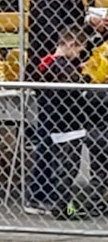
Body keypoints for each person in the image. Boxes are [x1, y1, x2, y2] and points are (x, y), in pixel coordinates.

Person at [26, 26, 101, 217]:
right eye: (78, 49)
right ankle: (60, 205)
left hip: (54, 120)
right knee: (65, 167)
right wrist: (86, 78)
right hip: (66, 123)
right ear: (70, 44)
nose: (78, 54)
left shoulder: (48, 62)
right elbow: (76, 88)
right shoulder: (61, 66)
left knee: (56, 162)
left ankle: (54, 201)